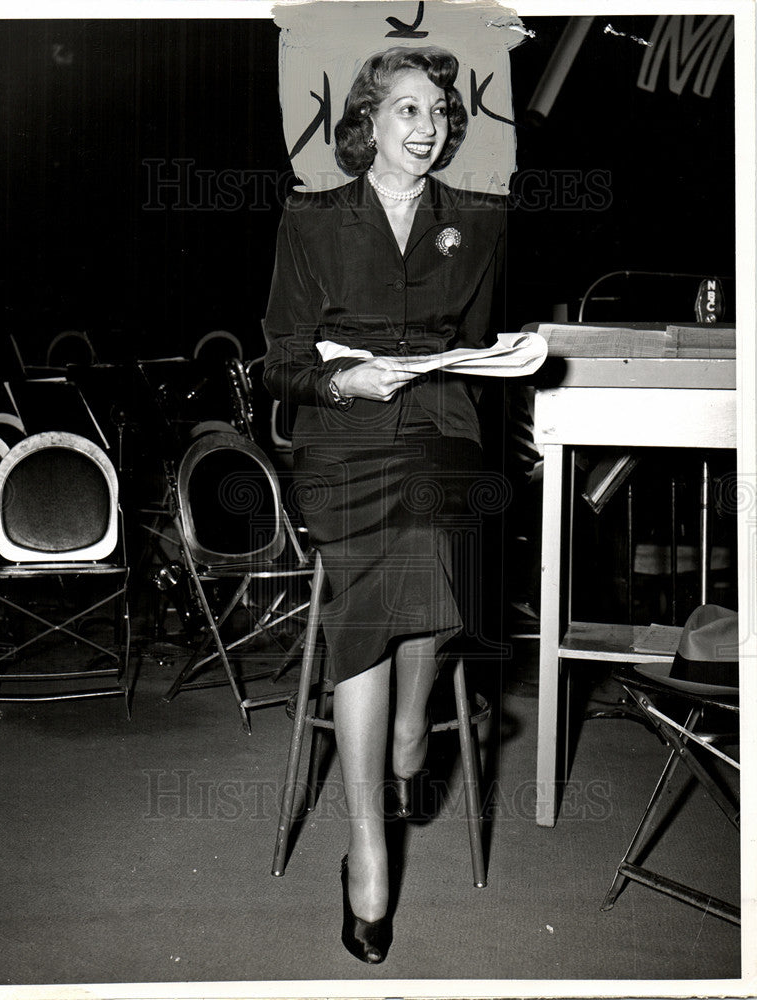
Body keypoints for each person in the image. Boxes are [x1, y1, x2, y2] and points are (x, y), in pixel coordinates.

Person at [263, 46, 505, 964]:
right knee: (393, 545)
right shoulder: (313, 220)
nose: (429, 123)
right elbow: (279, 364)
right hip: (341, 437)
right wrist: (346, 383)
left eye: (439, 109)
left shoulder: (477, 223)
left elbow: (475, 346)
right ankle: (370, 841)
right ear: (366, 121)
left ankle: (411, 732)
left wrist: (504, 360)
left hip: (441, 425)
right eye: (409, 108)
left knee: (437, 516)